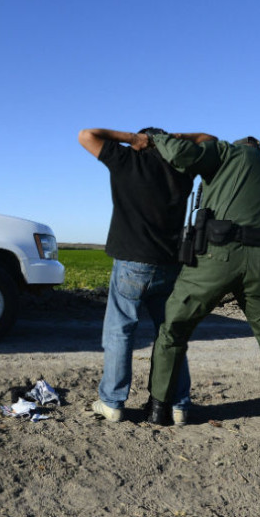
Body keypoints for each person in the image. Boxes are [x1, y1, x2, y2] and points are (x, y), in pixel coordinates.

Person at [146, 133, 260, 471]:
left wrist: (157, 136)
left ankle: (158, 410)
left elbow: (182, 154)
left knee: (173, 330)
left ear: (239, 147)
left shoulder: (228, 154)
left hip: (215, 256)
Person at [78, 128, 194, 424]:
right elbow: (210, 139)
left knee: (119, 331)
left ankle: (113, 402)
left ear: (140, 143)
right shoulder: (181, 166)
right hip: (169, 264)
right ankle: (179, 405)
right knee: (170, 335)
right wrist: (175, 139)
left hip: (131, 262)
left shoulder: (126, 159)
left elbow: (86, 135)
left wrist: (131, 139)